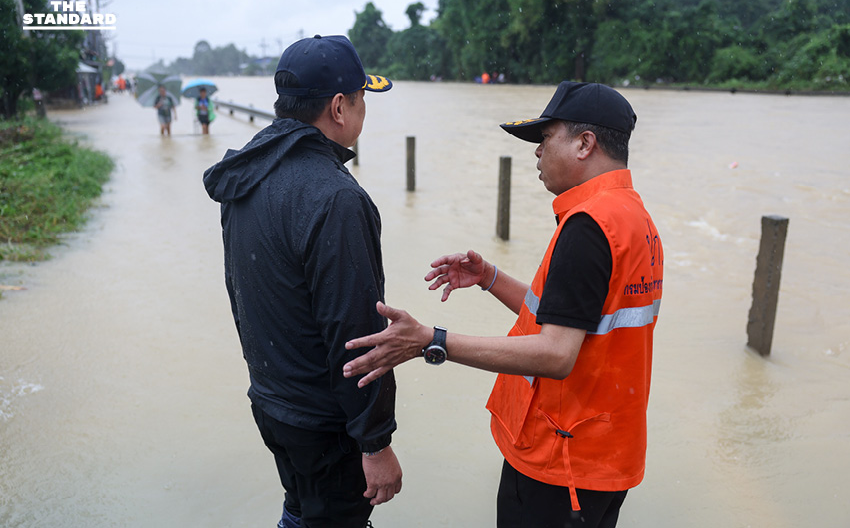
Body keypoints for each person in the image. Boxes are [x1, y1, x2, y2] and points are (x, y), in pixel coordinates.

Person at [344, 81, 664, 528]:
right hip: (604, 456)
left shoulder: (588, 227)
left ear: (584, 144)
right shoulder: (632, 216)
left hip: (561, 461)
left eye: (545, 139)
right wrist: (490, 278)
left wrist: (430, 341)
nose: (537, 153)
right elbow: (573, 319)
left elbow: (556, 354)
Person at [202, 34, 399, 528]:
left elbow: (240, 297)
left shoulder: (246, 177)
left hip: (273, 404)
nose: (363, 113)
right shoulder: (336, 198)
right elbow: (356, 335)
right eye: (361, 101)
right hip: (325, 423)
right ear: (338, 107)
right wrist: (375, 442)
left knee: (302, 509)